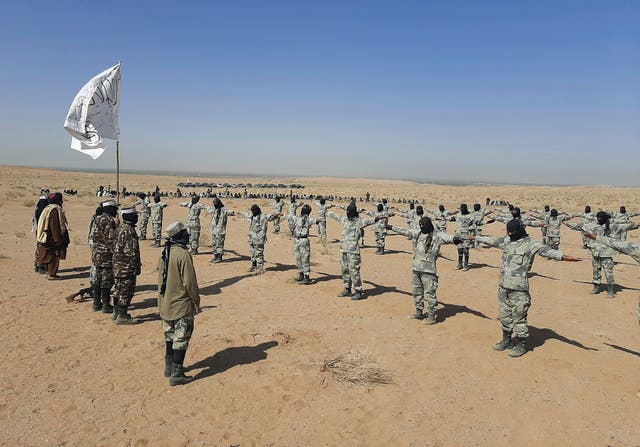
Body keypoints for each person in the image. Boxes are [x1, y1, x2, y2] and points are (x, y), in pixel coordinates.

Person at [471, 220, 581, 357]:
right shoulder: (507, 240)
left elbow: (547, 251)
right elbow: (492, 240)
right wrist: (476, 237)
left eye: (512, 232)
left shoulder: (530, 244)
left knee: (519, 317)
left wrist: (564, 257)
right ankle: (506, 340)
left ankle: (521, 345)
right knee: (504, 315)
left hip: (519, 289)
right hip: (503, 286)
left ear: (519, 230)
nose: (510, 235)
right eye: (508, 232)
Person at [387, 216, 463, 324]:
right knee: (417, 292)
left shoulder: (437, 236)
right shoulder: (418, 233)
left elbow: (448, 238)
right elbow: (405, 231)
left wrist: (455, 239)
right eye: (420, 226)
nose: (422, 228)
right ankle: (419, 311)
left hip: (429, 271)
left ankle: (432, 316)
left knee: (429, 294)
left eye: (423, 226)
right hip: (416, 269)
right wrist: (390, 227)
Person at [158, 221, 201, 386]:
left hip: (166, 303)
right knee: (181, 337)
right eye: (185, 233)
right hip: (181, 305)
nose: (188, 235)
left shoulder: (166, 252)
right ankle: (176, 373)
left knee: (169, 335)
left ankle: (168, 367)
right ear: (181, 235)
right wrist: (196, 300)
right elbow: (190, 283)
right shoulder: (183, 255)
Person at [566, 211, 638, 297]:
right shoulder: (592, 225)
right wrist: (565, 223)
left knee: (608, 272)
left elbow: (629, 227)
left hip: (606, 253)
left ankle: (610, 290)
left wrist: (636, 224)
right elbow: (578, 226)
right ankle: (596, 287)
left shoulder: (613, 226)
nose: (598, 219)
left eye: (600, 218)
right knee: (596, 271)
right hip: (595, 252)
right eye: (597, 218)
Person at [583, 231, 640, 325]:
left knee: (608, 274)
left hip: (606, 255)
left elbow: (619, 244)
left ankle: (610, 290)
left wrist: (597, 237)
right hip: (598, 253)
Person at [327, 202, 379, 300]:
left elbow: (370, 221)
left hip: (353, 252)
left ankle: (358, 291)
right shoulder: (345, 220)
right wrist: (328, 213)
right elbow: (337, 216)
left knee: (354, 271)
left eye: (349, 212)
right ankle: (347, 289)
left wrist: (378, 218)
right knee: (345, 270)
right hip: (344, 250)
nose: (347, 214)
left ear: (353, 213)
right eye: (347, 212)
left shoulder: (360, 222)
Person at [112, 204, 142, 324]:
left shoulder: (119, 228)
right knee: (126, 290)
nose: (137, 218)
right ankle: (122, 316)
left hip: (117, 265)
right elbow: (131, 252)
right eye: (135, 215)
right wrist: (136, 267)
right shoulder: (129, 231)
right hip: (126, 266)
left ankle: (116, 312)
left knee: (118, 289)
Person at [91, 199, 119, 312]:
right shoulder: (107, 221)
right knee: (106, 279)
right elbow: (110, 239)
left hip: (97, 253)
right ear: (110, 209)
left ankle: (96, 303)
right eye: (115, 208)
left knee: (97, 278)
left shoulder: (97, 218)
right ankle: (106, 305)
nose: (116, 210)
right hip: (106, 254)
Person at [35, 192, 70, 280]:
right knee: (53, 256)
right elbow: (54, 226)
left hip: (47, 237)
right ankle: (51, 274)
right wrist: (57, 239)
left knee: (50, 255)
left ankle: (50, 274)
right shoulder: (54, 210)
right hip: (51, 238)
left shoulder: (48, 208)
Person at [240, 205, 281, 274]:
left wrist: (276, 214)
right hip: (252, 238)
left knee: (259, 253)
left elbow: (271, 217)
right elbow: (246, 215)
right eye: (252, 211)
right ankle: (254, 265)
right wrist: (240, 213)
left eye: (254, 211)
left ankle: (260, 267)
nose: (253, 212)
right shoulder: (252, 216)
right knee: (253, 252)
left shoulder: (263, 216)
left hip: (259, 239)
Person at [289, 204, 316, 284]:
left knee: (305, 259)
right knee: (298, 258)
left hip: (304, 240)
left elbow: (317, 220)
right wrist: (281, 214)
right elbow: (289, 217)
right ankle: (301, 274)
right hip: (297, 239)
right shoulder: (297, 218)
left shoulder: (309, 219)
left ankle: (307, 277)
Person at [206, 197, 235, 263]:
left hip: (220, 230)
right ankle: (215, 256)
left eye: (215, 203)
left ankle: (219, 257)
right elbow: (208, 209)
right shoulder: (214, 209)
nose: (214, 205)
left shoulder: (223, 210)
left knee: (219, 244)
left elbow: (229, 212)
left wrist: (232, 212)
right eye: (213, 203)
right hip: (214, 230)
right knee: (214, 244)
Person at [451, 203, 475, 270]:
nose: (462, 210)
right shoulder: (458, 215)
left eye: (463, 208)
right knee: (459, 250)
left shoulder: (471, 216)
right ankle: (460, 264)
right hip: (458, 236)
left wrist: (472, 235)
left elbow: (474, 225)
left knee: (465, 250)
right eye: (461, 208)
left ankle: (466, 265)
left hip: (467, 236)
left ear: (466, 208)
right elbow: (452, 218)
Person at [88, 204, 103, 303]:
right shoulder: (99, 220)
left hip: (93, 244)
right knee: (96, 266)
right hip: (97, 245)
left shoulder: (95, 218)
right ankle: (95, 285)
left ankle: (94, 283)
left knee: (95, 265)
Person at [32, 191, 50, 274]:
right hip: (44, 231)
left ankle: (37, 264)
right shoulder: (45, 210)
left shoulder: (38, 208)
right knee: (43, 248)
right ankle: (41, 266)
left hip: (38, 231)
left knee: (39, 248)